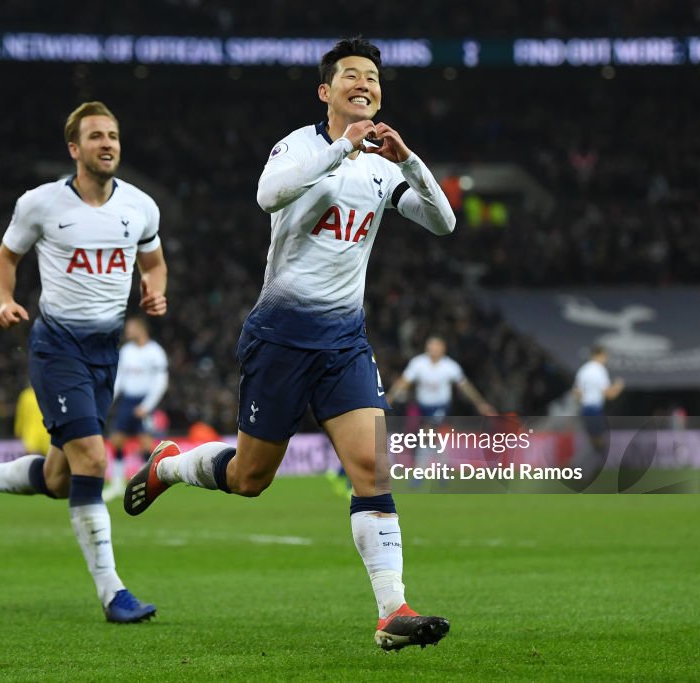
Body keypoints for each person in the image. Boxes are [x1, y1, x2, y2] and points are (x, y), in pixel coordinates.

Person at [125, 38, 454, 650]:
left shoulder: (384, 167)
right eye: (351, 75)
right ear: (326, 92)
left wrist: (408, 161)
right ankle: (170, 465)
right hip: (280, 338)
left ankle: (392, 612)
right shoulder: (300, 145)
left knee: (371, 468)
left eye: (374, 77)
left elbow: (444, 222)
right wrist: (339, 149)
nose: (365, 83)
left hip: (344, 342)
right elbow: (267, 195)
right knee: (251, 479)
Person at [0, 101, 168, 624]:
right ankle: (114, 594)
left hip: (105, 355)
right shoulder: (42, 204)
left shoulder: (140, 207)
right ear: (75, 149)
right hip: (57, 348)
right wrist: (4, 299)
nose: (107, 143)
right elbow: (5, 259)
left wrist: (154, 291)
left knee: (61, 478)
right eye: (95, 136)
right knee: (93, 459)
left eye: (113, 135)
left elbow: (154, 262)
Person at [103, 316, 168, 502]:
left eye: (131, 327)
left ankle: (150, 484)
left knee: (146, 443)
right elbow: (120, 379)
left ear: (141, 329)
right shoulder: (126, 351)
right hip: (127, 401)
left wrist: (147, 405)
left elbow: (161, 382)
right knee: (116, 440)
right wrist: (109, 399)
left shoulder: (155, 352)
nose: (128, 331)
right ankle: (117, 484)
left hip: (145, 402)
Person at [386, 335, 497, 421]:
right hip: (421, 405)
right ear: (427, 347)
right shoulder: (418, 363)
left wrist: (479, 403)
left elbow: (465, 386)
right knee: (414, 431)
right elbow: (404, 382)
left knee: (430, 429)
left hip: (440, 406)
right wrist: (390, 396)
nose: (434, 349)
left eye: (437, 346)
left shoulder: (450, 366)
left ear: (443, 348)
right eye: (431, 346)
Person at [572, 344, 624, 466]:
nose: (606, 359)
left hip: (585, 409)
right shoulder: (599, 370)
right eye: (606, 356)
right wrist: (618, 387)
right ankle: (579, 467)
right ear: (600, 355)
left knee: (594, 441)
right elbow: (610, 395)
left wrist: (584, 401)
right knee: (599, 442)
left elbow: (577, 393)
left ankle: (583, 469)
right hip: (594, 409)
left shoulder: (583, 370)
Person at [14, 384, 51, 456]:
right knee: (48, 464)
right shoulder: (49, 394)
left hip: (31, 437)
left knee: (33, 463)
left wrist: (18, 431)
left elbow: (21, 415)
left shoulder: (25, 396)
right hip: (47, 436)